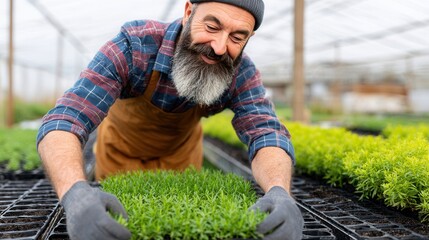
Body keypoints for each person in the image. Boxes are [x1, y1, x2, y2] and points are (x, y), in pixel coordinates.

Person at [37, 0, 304, 239]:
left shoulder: (240, 71)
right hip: (119, 157)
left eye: (237, 37)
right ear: (189, 12)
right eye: (212, 27)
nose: (219, 47)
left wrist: (279, 191)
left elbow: (266, 132)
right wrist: (74, 193)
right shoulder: (136, 47)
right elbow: (66, 119)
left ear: (249, 38)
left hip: (182, 163)